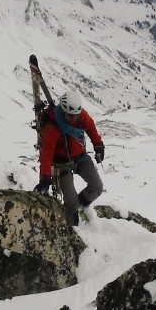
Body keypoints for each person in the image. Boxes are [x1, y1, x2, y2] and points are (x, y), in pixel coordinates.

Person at [35, 88, 105, 226]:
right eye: (70, 116)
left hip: (80, 156)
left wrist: (98, 145)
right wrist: (45, 177)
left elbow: (90, 127)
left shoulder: (80, 115)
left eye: (75, 115)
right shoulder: (52, 127)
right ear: (63, 111)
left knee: (97, 187)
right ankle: (73, 227)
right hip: (61, 163)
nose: (73, 119)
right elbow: (46, 154)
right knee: (70, 200)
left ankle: (78, 208)